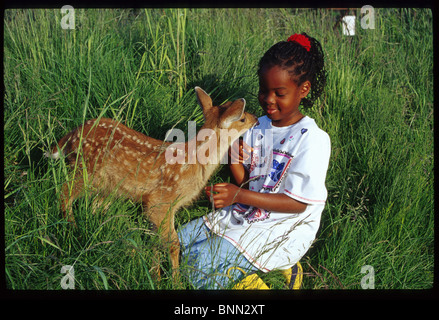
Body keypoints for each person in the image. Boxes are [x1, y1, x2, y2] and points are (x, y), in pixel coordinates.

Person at [178, 33, 331, 289]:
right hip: (247, 214)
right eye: (263, 90)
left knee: (196, 268)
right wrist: (233, 157)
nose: (268, 100)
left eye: (279, 93)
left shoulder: (313, 139)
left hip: (281, 229)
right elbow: (250, 184)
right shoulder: (256, 126)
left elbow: (296, 204)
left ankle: (263, 276)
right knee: (174, 244)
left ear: (303, 89)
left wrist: (236, 195)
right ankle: (267, 271)